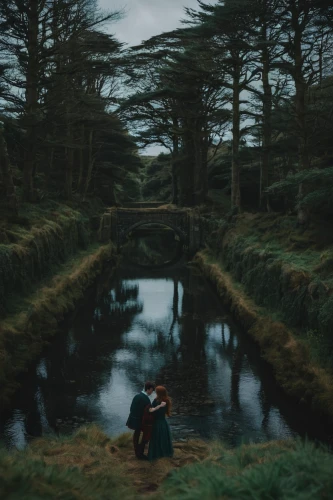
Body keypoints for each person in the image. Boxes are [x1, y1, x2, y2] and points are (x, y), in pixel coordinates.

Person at [126, 381, 157, 459]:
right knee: (146, 436)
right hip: (142, 421)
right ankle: (140, 453)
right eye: (152, 390)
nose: (152, 392)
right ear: (149, 389)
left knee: (136, 434)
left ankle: (137, 452)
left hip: (134, 418)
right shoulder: (146, 399)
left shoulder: (137, 396)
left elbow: (131, 408)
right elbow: (149, 412)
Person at [148, 385, 173, 462]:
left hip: (157, 423)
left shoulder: (156, 401)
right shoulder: (167, 400)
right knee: (164, 438)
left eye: (156, 391)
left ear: (158, 393)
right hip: (163, 422)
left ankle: (156, 454)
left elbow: (151, 411)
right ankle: (165, 453)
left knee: (156, 438)